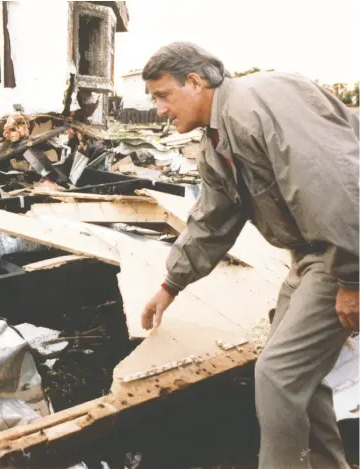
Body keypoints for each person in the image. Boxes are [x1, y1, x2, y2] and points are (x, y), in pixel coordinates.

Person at [140, 42, 359, 469]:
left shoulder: (258, 106)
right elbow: (212, 220)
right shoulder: (217, 139)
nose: (159, 110)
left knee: (278, 377)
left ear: (195, 82)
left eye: (163, 95)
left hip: (340, 251)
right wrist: (171, 285)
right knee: (299, 376)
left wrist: (353, 278)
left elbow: (338, 184)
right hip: (312, 254)